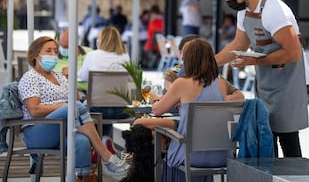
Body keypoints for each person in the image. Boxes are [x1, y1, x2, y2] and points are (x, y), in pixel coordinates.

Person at [215, 0, 308, 157]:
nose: (227, 0)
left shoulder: (274, 9)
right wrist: (209, 63)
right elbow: (238, 44)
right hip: (267, 80)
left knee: (288, 137)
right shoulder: (243, 11)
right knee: (266, 134)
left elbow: (293, 53)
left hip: (287, 80)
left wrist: (254, 62)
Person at [17, 36, 130, 181]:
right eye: (48, 51)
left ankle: (84, 177)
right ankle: (106, 156)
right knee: (75, 108)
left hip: (61, 129)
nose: (53, 54)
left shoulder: (58, 76)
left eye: (55, 51)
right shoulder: (30, 77)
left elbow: (75, 100)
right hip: (37, 132)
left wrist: (71, 80)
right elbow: (34, 110)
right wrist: (66, 107)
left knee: (81, 140)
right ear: (35, 54)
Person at [151, 38, 243, 181]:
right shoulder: (220, 83)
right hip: (221, 155)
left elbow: (157, 111)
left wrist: (156, 100)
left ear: (188, 60)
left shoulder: (181, 83)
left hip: (192, 156)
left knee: (160, 138)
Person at [78, 27, 131, 136]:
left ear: (101, 40)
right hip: (121, 110)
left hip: (96, 109)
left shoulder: (92, 55)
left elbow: (82, 77)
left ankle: (100, 142)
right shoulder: (125, 56)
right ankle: (106, 139)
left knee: (79, 108)